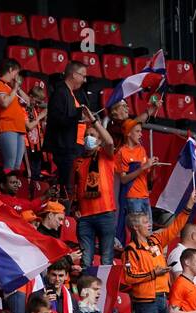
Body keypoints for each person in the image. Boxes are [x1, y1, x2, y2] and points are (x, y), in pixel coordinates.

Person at [72, 108, 117, 267]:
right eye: (86, 136)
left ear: (99, 141)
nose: (87, 138)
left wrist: (94, 121)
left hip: (105, 213)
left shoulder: (106, 155)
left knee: (106, 259)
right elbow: (75, 188)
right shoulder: (78, 161)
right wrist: (74, 209)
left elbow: (110, 142)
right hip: (85, 217)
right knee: (85, 261)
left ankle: (103, 291)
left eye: (92, 136)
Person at [46, 61, 89, 198]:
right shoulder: (60, 92)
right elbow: (56, 120)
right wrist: (78, 115)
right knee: (67, 187)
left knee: (72, 186)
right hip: (64, 149)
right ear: (74, 75)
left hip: (73, 147)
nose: (84, 79)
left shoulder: (71, 94)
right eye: (83, 76)